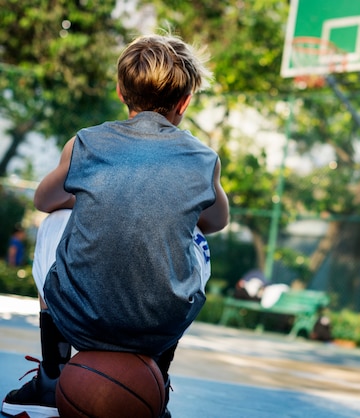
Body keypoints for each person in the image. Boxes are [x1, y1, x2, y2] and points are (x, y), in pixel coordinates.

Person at [1, 32, 229, 418]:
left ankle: (52, 375)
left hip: (78, 318)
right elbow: (218, 221)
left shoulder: (85, 144)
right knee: (197, 237)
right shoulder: (204, 158)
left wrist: (93, 195)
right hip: (157, 330)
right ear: (185, 102)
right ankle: (159, 374)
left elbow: (43, 200)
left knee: (57, 218)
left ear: (121, 92)